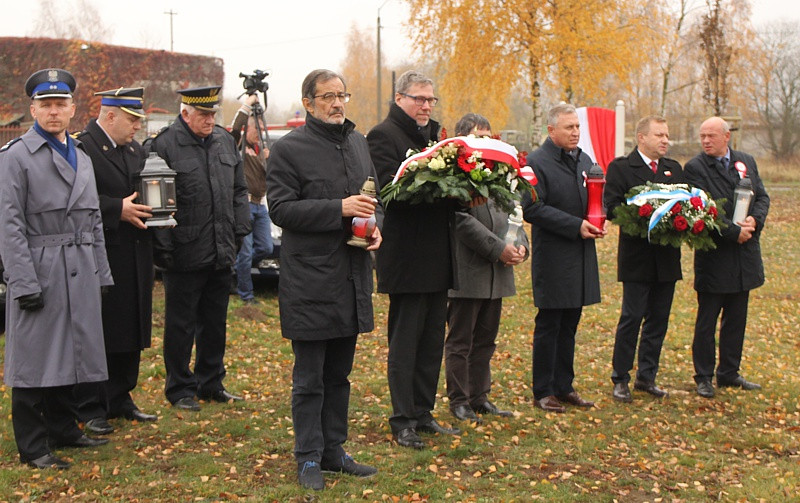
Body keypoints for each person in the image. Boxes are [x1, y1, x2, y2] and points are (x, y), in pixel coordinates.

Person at [266, 69, 382, 491]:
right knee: (309, 378)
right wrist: (339, 208)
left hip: (352, 278)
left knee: (340, 375)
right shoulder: (289, 150)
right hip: (311, 282)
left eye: (342, 95)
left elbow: (374, 197)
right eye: (328, 96)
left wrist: (376, 226)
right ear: (309, 102)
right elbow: (280, 209)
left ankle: (335, 450)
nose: (337, 103)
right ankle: (308, 457)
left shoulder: (357, 142)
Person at [0, 68, 112, 469]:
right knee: (33, 359)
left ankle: (65, 428)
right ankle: (32, 445)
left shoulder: (80, 155)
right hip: (40, 267)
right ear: (32, 109)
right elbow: (8, 224)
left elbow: (94, 218)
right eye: (45, 105)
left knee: (72, 352)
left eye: (60, 104)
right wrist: (22, 280)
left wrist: (101, 271)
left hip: (80, 264)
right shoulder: (16, 157)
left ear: (72, 109)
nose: (53, 112)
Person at [367, 70, 463, 449]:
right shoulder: (383, 135)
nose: (425, 106)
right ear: (399, 98)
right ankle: (402, 418)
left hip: (438, 255)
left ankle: (423, 413)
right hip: (406, 257)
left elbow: (448, 186)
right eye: (418, 98)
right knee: (406, 343)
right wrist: (443, 188)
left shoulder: (436, 138)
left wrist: (464, 191)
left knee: (430, 343)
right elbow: (391, 191)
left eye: (430, 100)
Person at [150, 85, 250, 411]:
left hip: (220, 249)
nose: (210, 120)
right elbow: (158, 203)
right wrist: (164, 249)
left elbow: (239, 189)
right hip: (183, 252)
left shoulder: (223, 140)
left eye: (213, 114)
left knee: (215, 322)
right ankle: (179, 388)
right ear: (185, 114)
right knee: (181, 325)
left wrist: (239, 230)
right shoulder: (164, 145)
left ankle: (211, 382)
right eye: (204, 114)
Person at [72, 87, 158, 435]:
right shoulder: (83, 148)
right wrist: (115, 209)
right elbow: (77, 197)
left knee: (131, 326)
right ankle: (90, 405)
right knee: (100, 330)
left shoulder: (134, 149)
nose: (137, 126)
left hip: (136, 251)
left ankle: (121, 397)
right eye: (132, 119)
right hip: (102, 251)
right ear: (109, 116)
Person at [521, 103, 605, 414]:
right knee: (550, 323)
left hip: (581, 253)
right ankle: (543, 390)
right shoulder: (536, 162)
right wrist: (575, 226)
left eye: (577, 127)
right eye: (569, 128)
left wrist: (600, 215)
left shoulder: (584, 159)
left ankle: (564, 385)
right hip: (555, 255)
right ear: (551, 130)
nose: (575, 133)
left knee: (571, 321)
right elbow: (533, 208)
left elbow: (596, 193)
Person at [445, 113, 528, 424]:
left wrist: (522, 246)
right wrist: (497, 249)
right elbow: (460, 220)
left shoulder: (498, 173)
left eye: (490, 136)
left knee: (486, 340)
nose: (488, 142)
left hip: (498, 274)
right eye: (481, 136)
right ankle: (459, 399)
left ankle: (480, 396)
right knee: (461, 340)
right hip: (468, 272)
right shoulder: (456, 176)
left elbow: (514, 214)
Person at [684, 117, 769, 399]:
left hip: (744, 257)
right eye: (702, 136)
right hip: (715, 256)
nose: (706, 141)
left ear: (727, 136)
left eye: (711, 136)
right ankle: (704, 376)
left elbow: (762, 198)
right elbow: (702, 209)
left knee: (737, 319)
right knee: (707, 321)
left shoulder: (746, 161)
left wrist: (754, 223)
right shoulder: (695, 168)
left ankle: (729, 373)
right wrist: (733, 232)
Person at [604, 116, 684, 403]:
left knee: (658, 320)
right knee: (632, 317)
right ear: (641, 137)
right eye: (659, 135)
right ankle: (620, 377)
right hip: (637, 257)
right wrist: (643, 214)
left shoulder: (673, 169)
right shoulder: (622, 168)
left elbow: (684, 205)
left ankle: (647, 376)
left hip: (666, 258)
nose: (665, 140)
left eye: (667, 135)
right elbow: (611, 207)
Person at [230, 94, 273, 304]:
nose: (259, 133)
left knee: (266, 247)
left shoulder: (261, 150)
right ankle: (246, 295)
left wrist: (268, 160)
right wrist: (246, 106)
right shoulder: (239, 149)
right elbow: (235, 131)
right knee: (245, 252)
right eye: (256, 129)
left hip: (259, 204)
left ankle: (236, 270)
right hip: (244, 204)